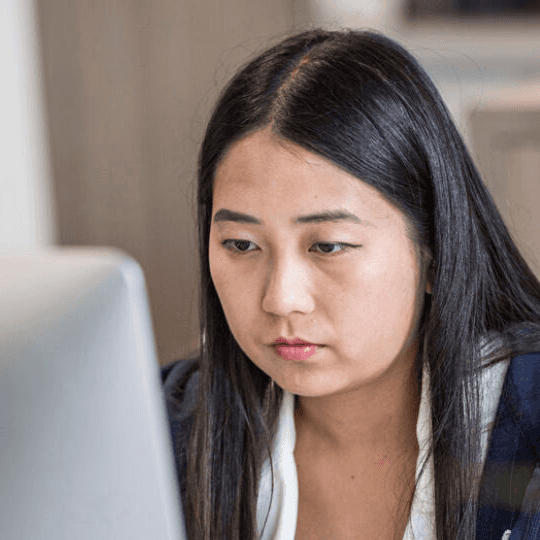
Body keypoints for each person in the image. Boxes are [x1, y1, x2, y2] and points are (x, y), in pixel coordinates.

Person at [160, 28, 540, 540]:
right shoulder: (159, 428)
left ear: (433, 250)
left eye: (328, 246)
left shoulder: (526, 418)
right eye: (242, 245)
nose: (281, 299)